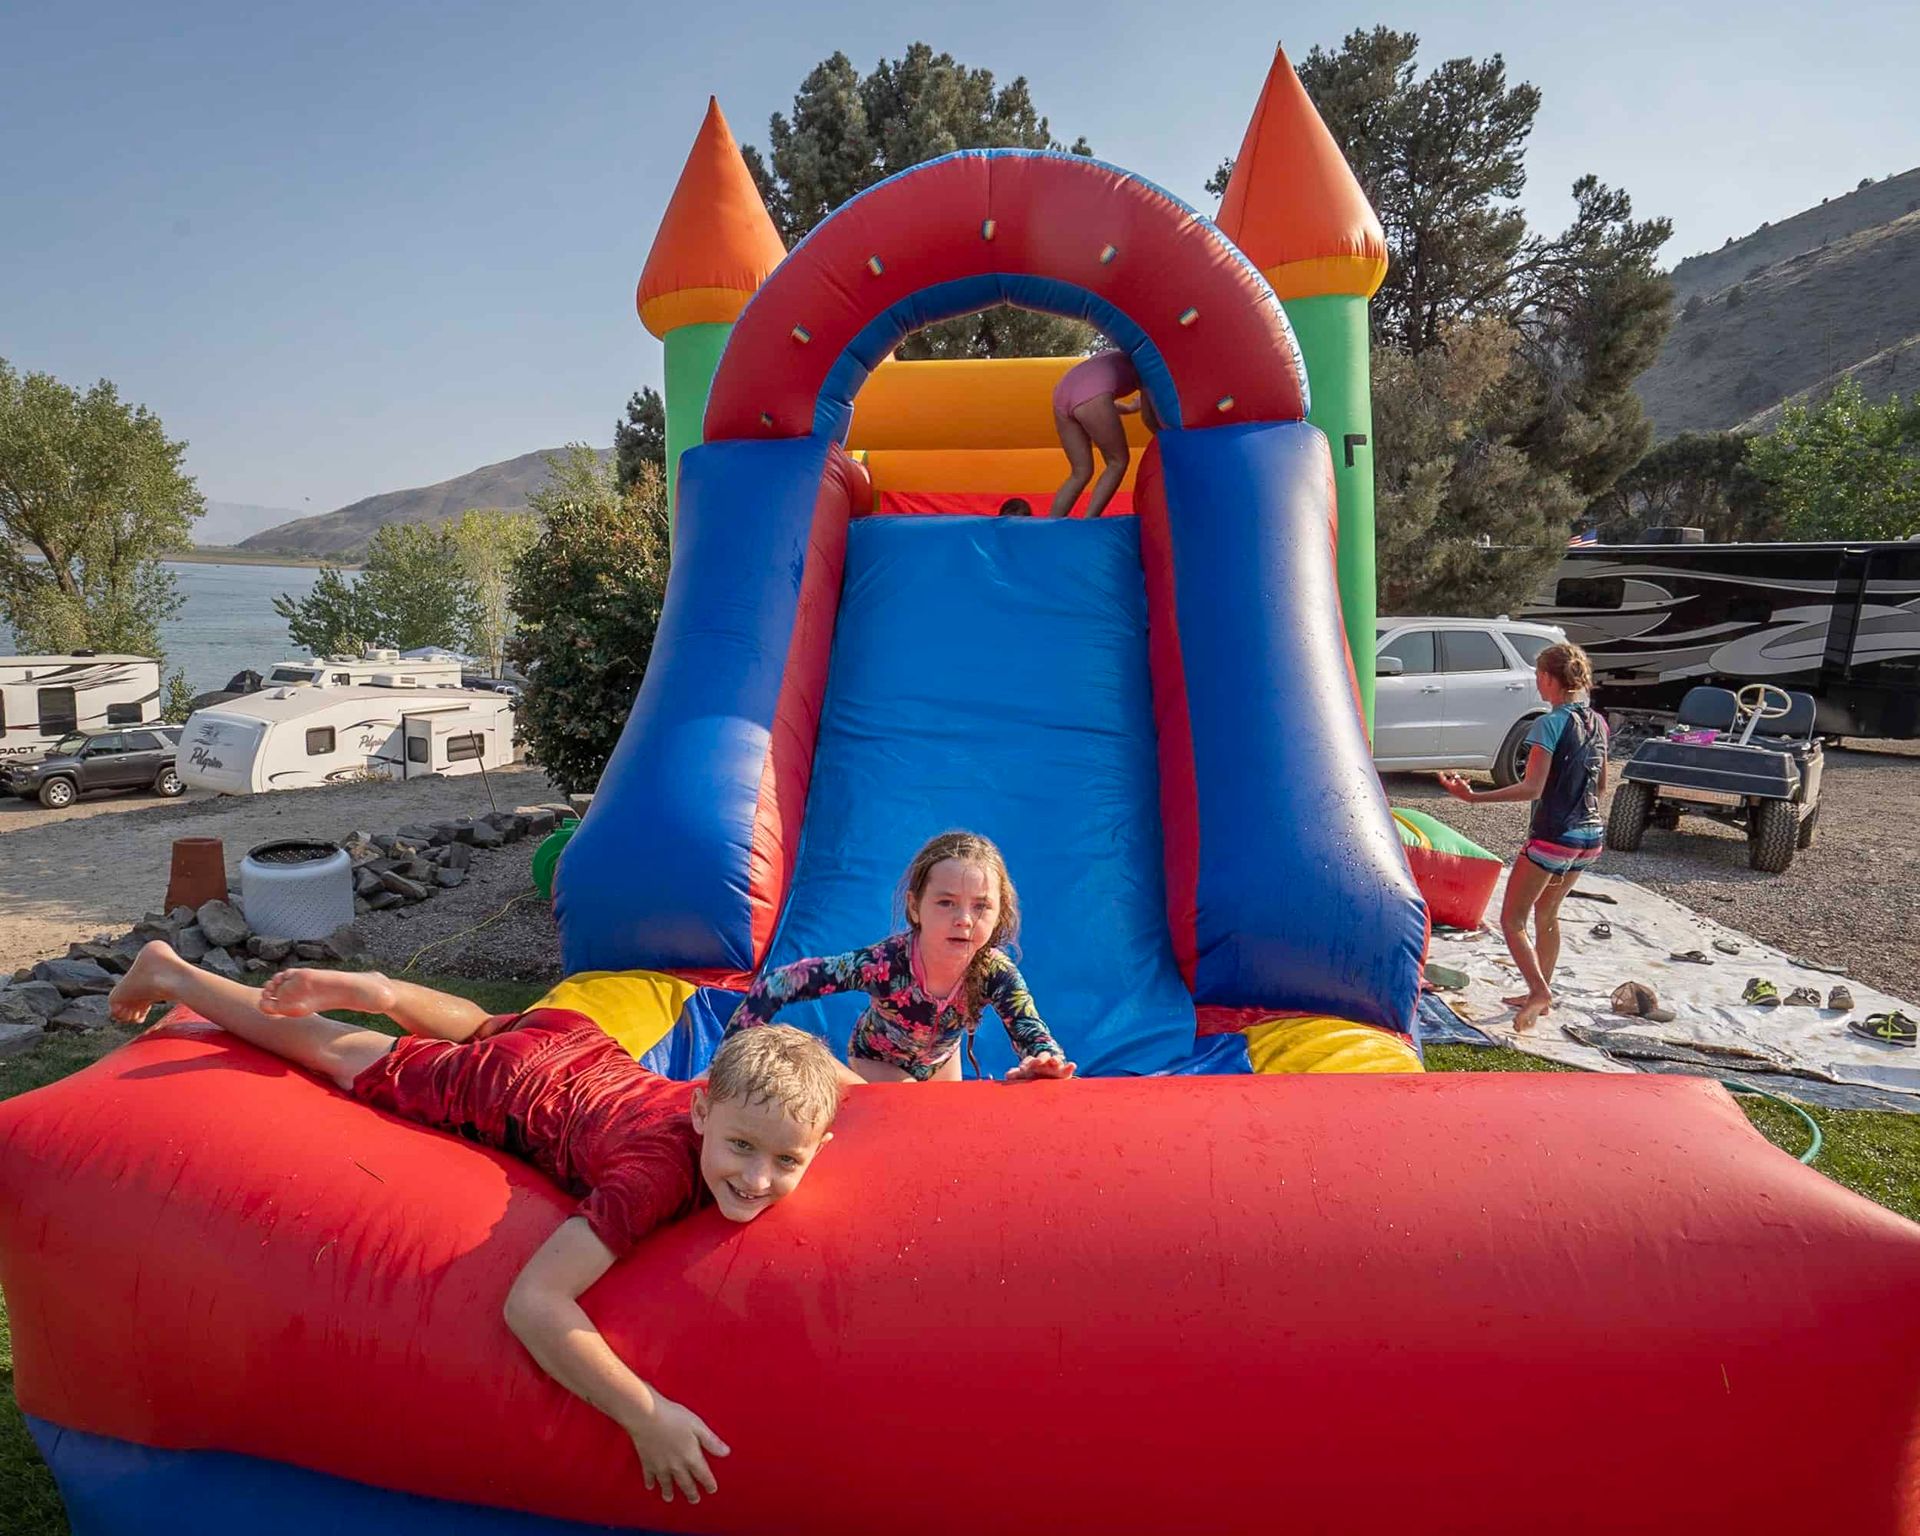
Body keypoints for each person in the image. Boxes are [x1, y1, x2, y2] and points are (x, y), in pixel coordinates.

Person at [105, 943, 842, 1507]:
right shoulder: (653, 1179)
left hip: (577, 1039)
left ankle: (385, 992)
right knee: (332, 1052)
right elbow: (533, 1304)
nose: (754, 1180)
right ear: (701, 1112)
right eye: (741, 1148)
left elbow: (832, 1082)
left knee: (494, 1025)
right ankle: (176, 975)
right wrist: (644, 1415)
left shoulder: (741, 1111)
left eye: (786, 1160)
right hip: (510, 1088)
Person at [727, 830, 1078, 1084]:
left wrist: (1044, 1061)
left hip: (941, 1062)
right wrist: (729, 1054)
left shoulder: (994, 972)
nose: (964, 919)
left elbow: (1029, 1028)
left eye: (981, 906)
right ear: (915, 906)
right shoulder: (885, 964)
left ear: (999, 914)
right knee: (911, 1118)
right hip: (878, 1060)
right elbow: (783, 982)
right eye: (946, 902)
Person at [1438, 642, 1610, 1031]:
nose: (1536, 682)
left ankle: (1538, 991)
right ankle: (1542, 991)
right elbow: (1599, 787)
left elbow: (1532, 788)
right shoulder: (1599, 723)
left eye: (1538, 676)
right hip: (1590, 837)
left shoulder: (1547, 724)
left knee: (1512, 919)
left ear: (1548, 679)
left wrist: (1473, 797)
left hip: (1554, 836)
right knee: (1547, 913)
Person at [1047, 348, 1156, 520]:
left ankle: (1050, 524)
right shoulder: (1147, 365)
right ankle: (1090, 520)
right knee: (1117, 462)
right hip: (1091, 396)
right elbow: (1148, 418)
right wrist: (1163, 437)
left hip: (1062, 392)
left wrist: (1128, 408)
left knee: (1080, 471)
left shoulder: (1112, 355)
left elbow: (1089, 399)